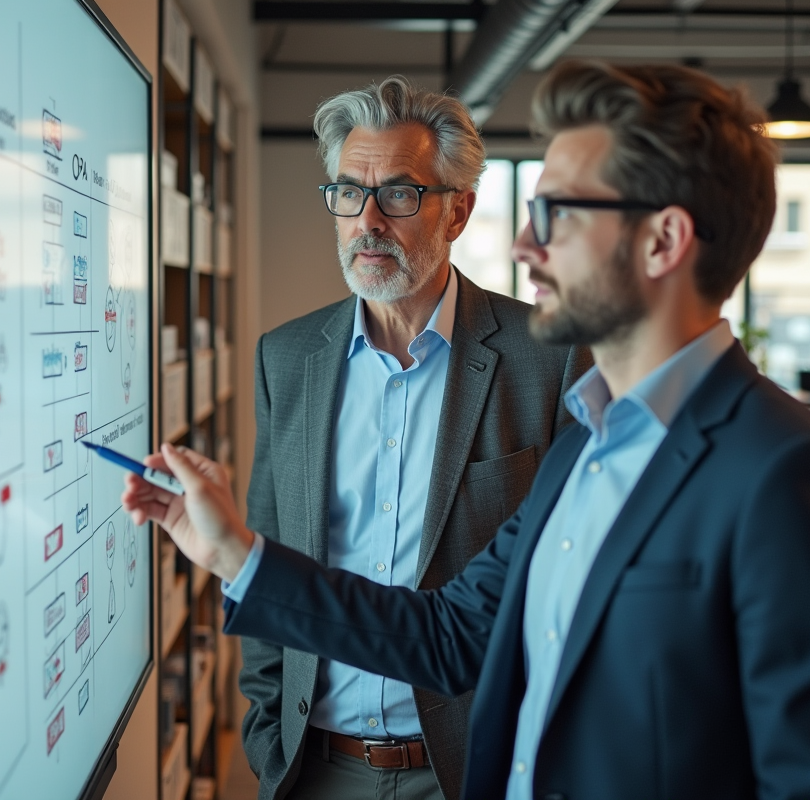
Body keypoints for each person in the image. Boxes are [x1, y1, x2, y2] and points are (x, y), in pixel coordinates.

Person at [124, 61, 810, 800]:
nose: (527, 247)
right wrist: (233, 551)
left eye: (558, 214)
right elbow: (448, 634)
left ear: (664, 239)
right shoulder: (589, 445)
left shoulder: (796, 475)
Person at [233, 76, 586, 800]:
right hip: (316, 767)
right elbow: (269, 551)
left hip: (474, 769)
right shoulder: (286, 358)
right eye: (347, 193)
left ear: (458, 211)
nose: (368, 221)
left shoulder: (547, 358)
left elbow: (567, 583)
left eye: (398, 194)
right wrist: (269, 741)